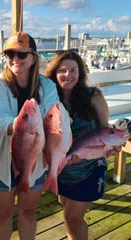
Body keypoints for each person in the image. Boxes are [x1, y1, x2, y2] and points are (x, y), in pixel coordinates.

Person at [0, 32, 59, 240]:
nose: (14, 59)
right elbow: (1, 119)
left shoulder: (48, 86)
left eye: (21, 55)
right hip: (2, 161)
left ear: (33, 57)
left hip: (34, 161)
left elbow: (52, 117)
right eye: (10, 54)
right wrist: (24, 127)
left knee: (28, 212)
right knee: (4, 213)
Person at [44, 50, 111, 240]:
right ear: (54, 73)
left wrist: (111, 146)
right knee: (68, 211)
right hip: (62, 169)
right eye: (62, 70)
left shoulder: (93, 96)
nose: (68, 75)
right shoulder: (50, 100)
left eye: (73, 70)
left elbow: (104, 129)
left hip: (90, 168)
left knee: (73, 217)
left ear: (80, 72)